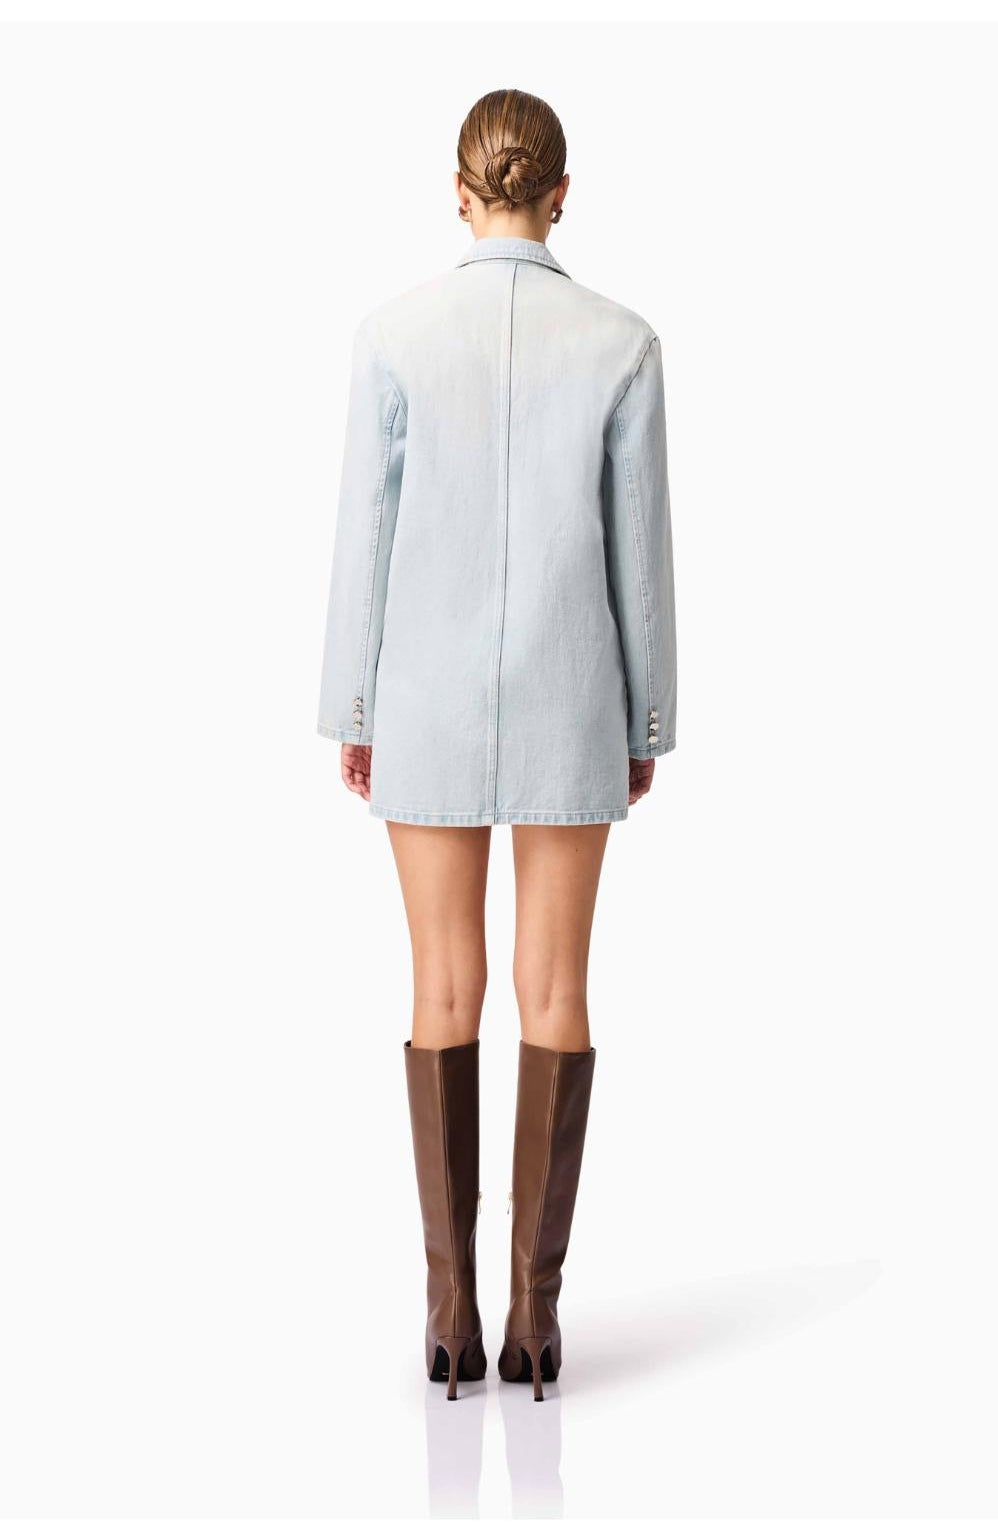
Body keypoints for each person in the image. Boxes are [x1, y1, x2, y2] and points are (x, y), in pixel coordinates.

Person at [317, 88, 677, 1401]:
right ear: (561, 195)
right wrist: (646, 718)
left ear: (458, 195)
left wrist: (354, 713)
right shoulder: (623, 343)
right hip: (573, 688)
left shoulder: (392, 337)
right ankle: (535, 1321)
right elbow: (640, 552)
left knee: (441, 988)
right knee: (556, 988)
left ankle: (448, 1318)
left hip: (421, 693)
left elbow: (365, 538)